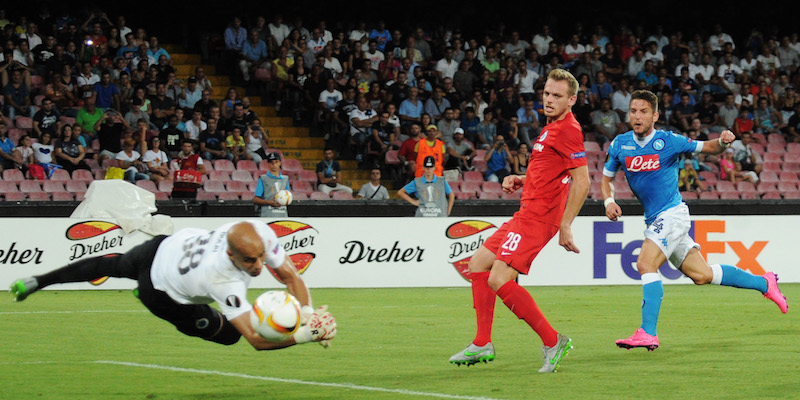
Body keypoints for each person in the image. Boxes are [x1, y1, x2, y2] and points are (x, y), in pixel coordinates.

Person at [601, 90, 787, 352]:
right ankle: (765, 283)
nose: (637, 116)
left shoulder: (669, 141)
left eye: (643, 111)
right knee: (703, 275)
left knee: (645, 263)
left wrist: (722, 142)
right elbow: (606, 178)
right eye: (633, 111)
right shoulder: (620, 144)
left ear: (655, 116)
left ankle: (648, 332)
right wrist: (609, 201)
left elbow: (707, 147)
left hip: (672, 214)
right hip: (656, 218)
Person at [9, 220, 337, 350]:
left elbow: (291, 276)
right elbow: (256, 340)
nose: (259, 266)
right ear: (231, 254)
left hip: (164, 247)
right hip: (161, 293)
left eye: (261, 257)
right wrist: (307, 334)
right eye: (250, 261)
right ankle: (40, 281)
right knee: (231, 335)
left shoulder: (258, 233)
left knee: (112, 264)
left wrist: (308, 314)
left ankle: (38, 280)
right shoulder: (222, 279)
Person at [449, 69, 589, 373]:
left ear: (571, 100)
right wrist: (522, 178)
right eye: (547, 93)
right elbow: (552, 171)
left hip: (539, 218)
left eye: (557, 95)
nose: (549, 99)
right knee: (478, 264)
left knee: (499, 279)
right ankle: (482, 342)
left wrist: (566, 224)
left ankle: (553, 341)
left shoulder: (568, 129)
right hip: (526, 213)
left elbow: (582, 180)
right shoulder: (551, 127)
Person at [253, 152, 290, 217]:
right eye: (271, 162)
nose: (274, 165)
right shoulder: (263, 179)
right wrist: (268, 202)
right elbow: (255, 199)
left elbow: (288, 197)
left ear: (280, 163)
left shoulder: (285, 179)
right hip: (267, 215)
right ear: (268, 164)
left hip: (282, 214)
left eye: (276, 162)